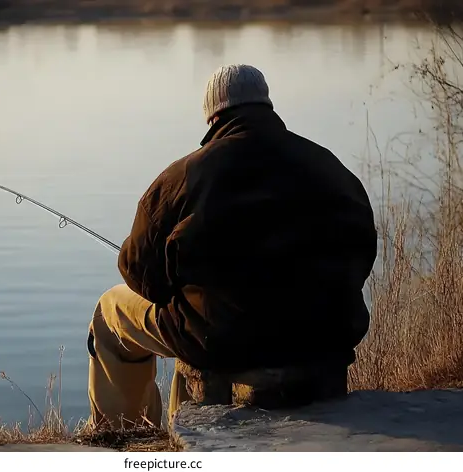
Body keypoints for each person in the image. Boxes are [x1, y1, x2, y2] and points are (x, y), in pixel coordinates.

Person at [85, 64, 377, 431]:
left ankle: (124, 433)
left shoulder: (185, 175)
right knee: (191, 318)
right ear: (267, 105)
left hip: (222, 340)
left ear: (214, 116)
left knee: (110, 312)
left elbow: (140, 276)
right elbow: (363, 256)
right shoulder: (331, 168)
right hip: (325, 335)